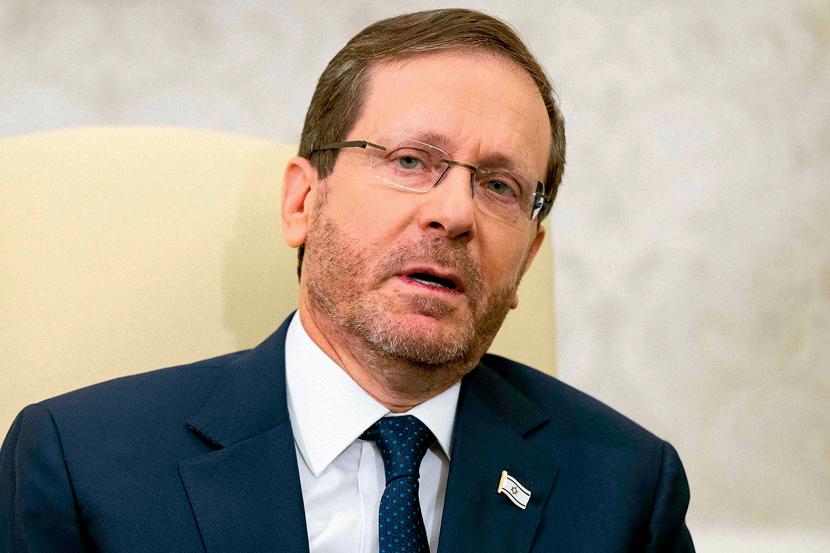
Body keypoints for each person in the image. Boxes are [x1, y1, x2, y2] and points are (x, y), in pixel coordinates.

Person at [0, 8, 694, 553]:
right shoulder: (79, 463)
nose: (455, 214)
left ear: (527, 261)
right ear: (304, 202)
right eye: (411, 161)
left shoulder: (625, 490)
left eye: (499, 186)